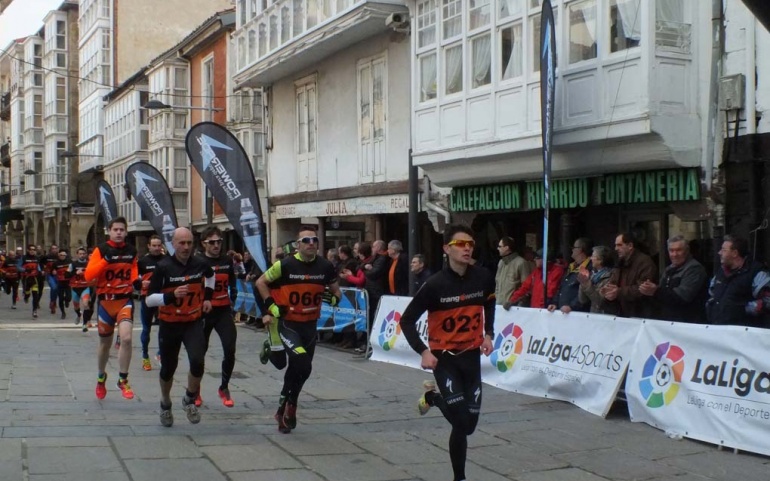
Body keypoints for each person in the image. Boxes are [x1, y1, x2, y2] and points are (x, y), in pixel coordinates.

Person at [399, 224, 496, 481]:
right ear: (446, 249)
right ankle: (459, 478)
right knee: (461, 422)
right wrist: (423, 351)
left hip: (471, 358)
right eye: (460, 244)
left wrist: (489, 333)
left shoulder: (483, 276)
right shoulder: (434, 284)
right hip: (445, 360)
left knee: (468, 426)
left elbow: (490, 302)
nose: (466, 248)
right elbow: (406, 320)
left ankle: (432, 398)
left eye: (470, 244)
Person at [255, 225, 342, 434]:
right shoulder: (285, 265)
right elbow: (260, 282)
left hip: (310, 326)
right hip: (288, 324)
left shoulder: (326, 266)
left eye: (314, 240)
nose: (311, 243)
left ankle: (286, 407)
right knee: (298, 362)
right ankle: (288, 403)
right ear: (297, 245)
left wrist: (334, 299)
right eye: (306, 240)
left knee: (303, 369)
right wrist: (271, 307)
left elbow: (337, 292)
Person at [146, 227, 215, 427]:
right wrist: (171, 295)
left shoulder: (200, 263)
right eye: (182, 243)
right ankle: (165, 403)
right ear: (173, 244)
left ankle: (189, 399)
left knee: (198, 361)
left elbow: (211, 276)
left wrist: (208, 298)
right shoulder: (163, 267)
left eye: (189, 243)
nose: (186, 247)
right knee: (169, 368)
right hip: (169, 324)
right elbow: (149, 300)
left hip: (192, 321)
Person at [84, 217, 139, 400]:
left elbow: (133, 273)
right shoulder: (101, 250)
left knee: (126, 338)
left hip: (124, 301)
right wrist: (105, 261)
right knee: (105, 345)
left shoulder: (131, 251)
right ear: (109, 231)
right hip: (106, 303)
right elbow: (89, 276)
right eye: (115, 229)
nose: (118, 233)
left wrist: (138, 282)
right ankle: (101, 377)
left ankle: (123, 379)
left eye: (122, 230)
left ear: (126, 232)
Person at [196, 226, 238, 408]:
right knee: (199, 352)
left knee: (229, 348)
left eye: (219, 242)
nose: (216, 245)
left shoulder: (227, 260)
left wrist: (233, 299)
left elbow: (233, 281)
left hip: (223, 311)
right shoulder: (198, 261)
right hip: (204, 312)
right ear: (204, 244)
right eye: (212, 242)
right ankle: (195, 389)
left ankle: (224, 387)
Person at [640, 235, 708, 323]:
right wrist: (648, 290)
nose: (674, 254)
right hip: (668, 321)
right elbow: (661, 295)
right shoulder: (668, 270)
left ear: (687, 250)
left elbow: (683, 296)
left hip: (688, 323)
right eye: (671, 251)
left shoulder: (695, 269)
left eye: (679, 250)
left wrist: (655, 291)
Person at [706, 235, 770, 327]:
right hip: (718, 329)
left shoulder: (756, 272)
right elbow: (712, 293)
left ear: (735, 253)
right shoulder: (721, 272)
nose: (719, 252)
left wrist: (743, 309)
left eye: (724, 250)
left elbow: (768, 301)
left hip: (743, 332)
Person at [601, 232, 658, 318]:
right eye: (615, 245)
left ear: (630, 246)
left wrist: (618, 292)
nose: (616, 248)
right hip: (621, 313)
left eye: (619, 245)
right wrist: (607, 290)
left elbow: (644, 289)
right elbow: (613, 282)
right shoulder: (620, 263)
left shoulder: (645, 262)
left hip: (639, 314)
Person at [137, 236, 165, 371]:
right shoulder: (142, 262)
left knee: (164, 328)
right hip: (147, 297)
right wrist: (142, 282)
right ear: (148, 246)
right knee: (146, 329)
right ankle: (145, 356)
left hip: (162, 297)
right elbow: (135, 280)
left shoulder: (167, 260)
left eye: (159, 245)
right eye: (154, 245)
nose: (157, 248)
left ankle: (160, 354)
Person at [548, 238, 592, 314]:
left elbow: (586, 292)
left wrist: (572, 306)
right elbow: (561, 287)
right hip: (563, 313)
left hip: (577, 314)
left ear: (580, 249)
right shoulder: (571, 266)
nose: (572, 250)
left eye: (574, 247)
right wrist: (555, 303)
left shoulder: (589, 268)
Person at [578, 246, 616, 314]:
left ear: (600, 260)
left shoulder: (610, 276)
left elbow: (599, 301)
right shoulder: (592, 275)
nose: (590, 258)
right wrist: (583, 282)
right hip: (593, 314)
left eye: (593, 256)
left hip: (604, 315)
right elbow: (582, 300)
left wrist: (587, 284)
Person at [495, 236, 531, 306]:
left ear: (507, 248)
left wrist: (515, 303)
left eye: (500, 246)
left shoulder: (521, 263)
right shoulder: (501, 262)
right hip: (499, 306)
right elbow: (497, 284)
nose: (497, 248)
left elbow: (526, 288)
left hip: (513, 307)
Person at [69, 247, 95, 332]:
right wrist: (75, 273)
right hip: (75, 288)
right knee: (76, 306)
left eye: (83, 254)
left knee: (86, 304)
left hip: (85, 287)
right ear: (77, 255)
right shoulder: (73, 264)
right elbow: (66, 275)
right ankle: (78, 314)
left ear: (86, 254)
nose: (82, 255)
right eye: (80, 254)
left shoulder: (89, 264)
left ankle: (84, 324)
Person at [21, 245, 42, 318]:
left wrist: (40, 271)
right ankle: (26, 297)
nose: (32, 251)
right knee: (27, 293)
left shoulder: (37, 258)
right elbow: (18, 267)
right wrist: (25, 270)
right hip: (26, 278)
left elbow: (38, 267)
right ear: (28, 250)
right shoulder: (23, 258)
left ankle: (34, 311)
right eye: (31, 249)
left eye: (34, 249)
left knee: (35, 295)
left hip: (34, 278)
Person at [53, 249, 73, 319]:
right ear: (59, 255)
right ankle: (63, 313)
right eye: (61, 255)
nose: (62, 256)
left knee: (69, 297)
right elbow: (52, 271)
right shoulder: (56, 263)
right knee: (60, 298)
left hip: (68, 282)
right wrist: (54, 272)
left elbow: (73, 269)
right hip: (60, 282)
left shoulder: (69, 261)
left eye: (64, 255)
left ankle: (67, 301)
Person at [40, 244, 60, 315]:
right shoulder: (46, 257)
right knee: (53, 287)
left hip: (58, 275)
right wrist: (42, 270)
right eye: (53, 248)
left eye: (55, 248)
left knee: (56, 289)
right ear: (50, 250)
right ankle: (52, 303)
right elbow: (40, 263)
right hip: (50, 275)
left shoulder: (59, 257)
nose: (54, 250)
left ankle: (53, 301)